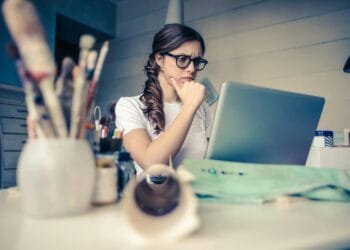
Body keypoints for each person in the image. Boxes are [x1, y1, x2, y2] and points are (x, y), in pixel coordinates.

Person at [115, 23, 212, 174]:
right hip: (154, 196)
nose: (192, 69)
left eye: (197, 61)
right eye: (182, 59)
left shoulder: (202, 108)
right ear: (160, 59)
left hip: (196, 195)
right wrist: (189, 107)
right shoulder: (129, 106)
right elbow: (152, 164)